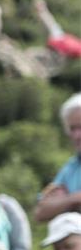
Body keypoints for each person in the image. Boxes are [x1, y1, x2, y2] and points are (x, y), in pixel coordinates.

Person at [34, 93, 81, 222]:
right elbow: (40, 212)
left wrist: (64, 202)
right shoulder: (70, 169)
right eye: (73, 128)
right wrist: (74, 199)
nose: (77, 135)